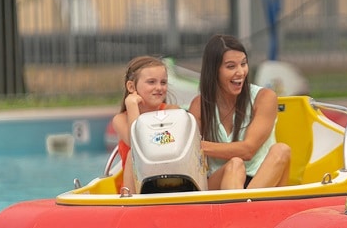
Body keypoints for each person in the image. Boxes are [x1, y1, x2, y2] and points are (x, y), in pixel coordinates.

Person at [188, 35, 291, 190]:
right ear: (214, 70)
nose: (241, 72)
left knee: (282, 150)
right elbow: (188, 153)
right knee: (235, 165)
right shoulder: (200, 105)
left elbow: (248, 150)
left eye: (243, 64)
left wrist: (200, 146)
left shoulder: (265, 97)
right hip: (220, 182)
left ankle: (243, 205)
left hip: (261, 181)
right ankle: (244, 207)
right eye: (231, 66)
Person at [111, 55, 178, 193]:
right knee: (133, 154)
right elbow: (135, 143)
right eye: (151, 82)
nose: (159, 87)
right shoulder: (120, 119)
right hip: (135, 187)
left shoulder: (172, 112)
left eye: (163, 82)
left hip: (168, 182)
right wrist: (132, 105)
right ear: (131, 86)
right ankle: (132, 204)